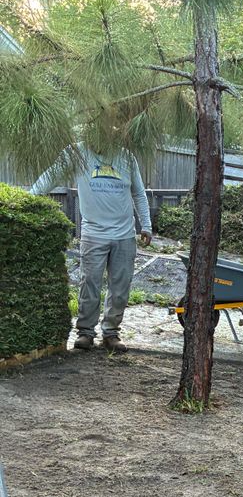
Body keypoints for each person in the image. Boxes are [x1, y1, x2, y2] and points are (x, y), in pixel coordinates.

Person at [32, 145, 152, 353]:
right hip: (93, 233)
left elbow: (139, 193)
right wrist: (29, 197)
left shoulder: (127, 157)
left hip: (124, 234)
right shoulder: (76, 153)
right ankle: (86, 332)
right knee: (89, 284)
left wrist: (147, 225)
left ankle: (111, 333)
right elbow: (50, 176)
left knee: (121, 287)